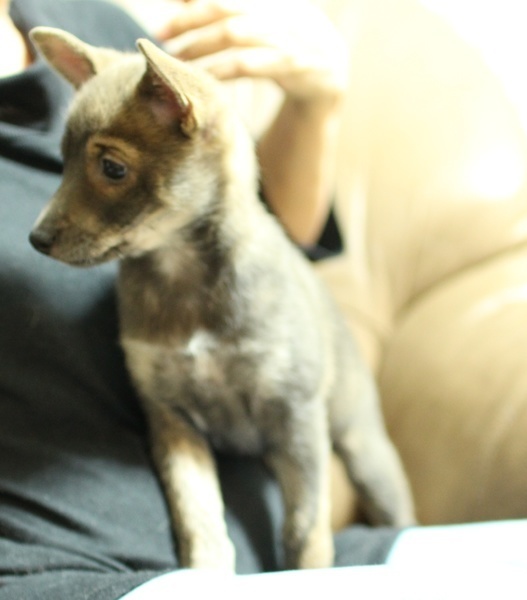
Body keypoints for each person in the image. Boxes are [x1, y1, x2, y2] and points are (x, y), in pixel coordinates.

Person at [0, 1, 526, 599]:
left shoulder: (90, 24)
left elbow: (254, 205)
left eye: (111, 170)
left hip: (295, 556)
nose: (49, 223)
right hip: (83, 569)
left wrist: (315, 105)